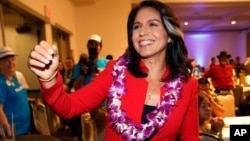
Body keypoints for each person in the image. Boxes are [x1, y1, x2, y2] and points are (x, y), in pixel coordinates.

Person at [27, 1, 199, 140]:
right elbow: (70, 106)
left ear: (170, 35)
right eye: (136, 27)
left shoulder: (188, 85)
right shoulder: (116, 72)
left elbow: (190, 138)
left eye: (152, 24)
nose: (142, 32)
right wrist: (49, 78)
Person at [0, 47, 31, 136]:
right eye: (6, 60)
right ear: (0, 64)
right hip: (14, 132)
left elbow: (17, 97)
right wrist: (9, 132)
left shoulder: (14, 78)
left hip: (24, 128)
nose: (11, 63)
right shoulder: (1, 83)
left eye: (13, 59)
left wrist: (30, 100)